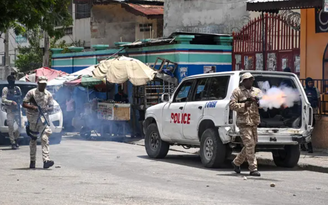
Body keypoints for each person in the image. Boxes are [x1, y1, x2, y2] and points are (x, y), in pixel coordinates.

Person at [230, 73, 262, 177]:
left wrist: (258, 103)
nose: (250, 81)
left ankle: (236, 162)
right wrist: (244, 105)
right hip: (243, 122)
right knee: (250, 144)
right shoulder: (237, 91)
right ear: (243, 81)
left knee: (252, 143)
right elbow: (232, 105)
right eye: (248, 80)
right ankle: (253, 168)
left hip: (253, 121)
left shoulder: (257, 91)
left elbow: (262, 104)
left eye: (251, 79)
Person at [22, 76, 55, 169]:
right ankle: (32, 161)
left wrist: (48, 109)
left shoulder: (48, 94)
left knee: (45, 138)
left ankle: (46, 160)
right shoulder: (31, 93)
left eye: (44, 84)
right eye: (41, 84)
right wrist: (33, 107)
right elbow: (24, 103)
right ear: (38, 83)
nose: (43, 85)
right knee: (33, 140)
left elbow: (52, 106)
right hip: (32, 119)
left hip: (43, 119)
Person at [1, 74, 22, 149]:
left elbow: (20, 97)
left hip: (17, 109)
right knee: (10, 126)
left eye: (13, 80)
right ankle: (12, 141)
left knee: (21, 126)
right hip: (10, 109)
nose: (12, 81)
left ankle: (16, 139)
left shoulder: (17, 88)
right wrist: (11, 102)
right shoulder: (5, 89)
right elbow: (3, 99)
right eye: (11, 80)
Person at [302, 77, 320, 153]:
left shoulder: (315, 90)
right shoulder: (303, 90)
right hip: (305, 112)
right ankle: (309, 146)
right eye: (309, 83)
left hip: (313, 110)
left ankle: (305, 144)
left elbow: (318, 100)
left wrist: (318, 110)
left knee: (311, 128)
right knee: (307, 128)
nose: (310, 84)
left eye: (311, 82)